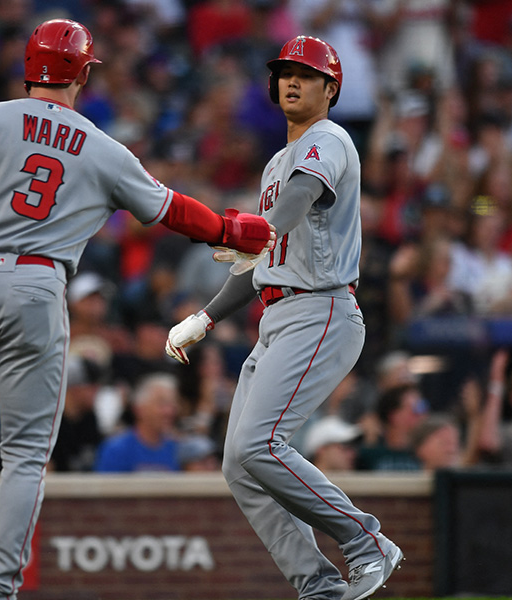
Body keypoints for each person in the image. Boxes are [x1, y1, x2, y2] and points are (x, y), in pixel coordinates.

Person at [0, 19, 273, 600]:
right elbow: (172, 210)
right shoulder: (102, 147)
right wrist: (230, 227)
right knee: (24, 456)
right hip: (36, 285)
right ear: (83, 74)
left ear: (30, 66)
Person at [164, 35, 403, 600]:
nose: (292, 80)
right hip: (277, 316)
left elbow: (294, 204)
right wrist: (206, 316)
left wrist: (254, 231)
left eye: (306, 73)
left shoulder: (331, 138)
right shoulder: (276, 160)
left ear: (331, 88)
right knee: (238, 465)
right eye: (284, 73)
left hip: (321, 308)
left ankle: (367, 543)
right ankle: (318, 585)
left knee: (259, 445)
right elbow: (262, 258)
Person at [94, 372, 181, 473]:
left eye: (172, 404)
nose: (169, 411)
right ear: (139, 409)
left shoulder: (177, 449)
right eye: (161, 404)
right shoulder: (116, 450)